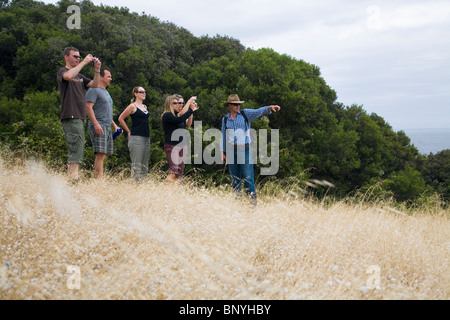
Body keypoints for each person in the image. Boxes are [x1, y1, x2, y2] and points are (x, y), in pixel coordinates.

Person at [220, 94, 281, 204]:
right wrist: (222, 152)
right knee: (235, 179)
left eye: (239, 104)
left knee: (248, 179)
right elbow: (223, 136)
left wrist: (269, 108)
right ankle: (238, 204)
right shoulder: (225, 119)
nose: (237, 106)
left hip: (244, 150)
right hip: (231, 151)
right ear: (229, 105)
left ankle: (252, 205)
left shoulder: (245, 114)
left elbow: (259, 111)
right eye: (235, 104)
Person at [57, 47, 102, 182]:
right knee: (75, 149)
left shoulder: (80, 76)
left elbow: (95, 84)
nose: (78, 58)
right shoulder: (63, 71)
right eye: (75, 56)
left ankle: (73, 181)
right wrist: (84, 62)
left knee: (78, 149)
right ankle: (73, 181)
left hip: (78, 116)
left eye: (79, 56)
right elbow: (68, 76)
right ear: (66, 57)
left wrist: (97, 69)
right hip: (70, 115)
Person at [86, 68, 121, 180]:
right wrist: (96, 124)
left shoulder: (106, 92)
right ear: (100, 77)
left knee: (104, 154)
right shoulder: (94, 89)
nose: (110, 79)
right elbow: (88, 107)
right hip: (99, 125)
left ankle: (100, 178)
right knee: (100, 153)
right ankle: (98, 180)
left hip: (107, 126)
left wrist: (114, 125)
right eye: (108, 76)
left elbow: (106, 110)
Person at [161, 94, 198, 184]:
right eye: (175, 103)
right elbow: (178, 120)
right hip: (171, 146)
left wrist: (191, 113)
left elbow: (188, 124)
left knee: (179, 172)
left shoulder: (178, 115)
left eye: (181, 103)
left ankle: (176, 191)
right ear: (169, 104)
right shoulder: (167, 115)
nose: (179, 105)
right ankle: (166, 190)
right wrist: (189, 105)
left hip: (182, 145)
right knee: (174, 170)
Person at [118, 86, 151, 181]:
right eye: (141, 92)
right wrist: (128, 131)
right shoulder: (132, 106)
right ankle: (135, 187)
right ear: (135, 94)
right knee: (137, 165)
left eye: (144, 92)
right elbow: (120, 118)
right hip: (136, 137)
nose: (144, 93)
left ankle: (142, 188)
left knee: (145, 165)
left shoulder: (145, 107)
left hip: (146, 137)